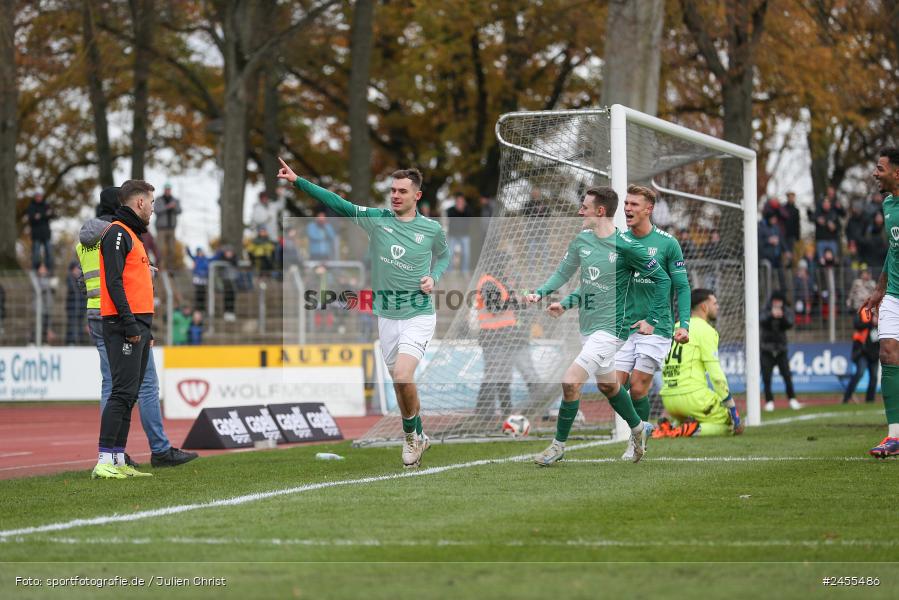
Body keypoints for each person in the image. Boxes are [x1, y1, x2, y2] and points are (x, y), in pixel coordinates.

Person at [278, 158, 450, 468]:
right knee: (401, 385)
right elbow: (338, 203)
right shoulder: (377, 220)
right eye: (392, 190)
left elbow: (445, 256)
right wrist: (298, 181)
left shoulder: (431, 229)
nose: (395, 196)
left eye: (402, 191)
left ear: (417, 196)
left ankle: (410, 437)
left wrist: (434, 277)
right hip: (386, 315)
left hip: (419, 314)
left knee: (402, 375)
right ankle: (420, 434)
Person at [525, 186, 670, 466]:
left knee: (570, 381)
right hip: (588, 327)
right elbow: (564, 274)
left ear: (600, 211)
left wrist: (652, 319)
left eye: (585, 207)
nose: (580, 211)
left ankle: (557, 446)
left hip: (612, 330)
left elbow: (663, 280)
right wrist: (543, 293)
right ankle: (639, 428)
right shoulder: (581, 241)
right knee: (609, 387)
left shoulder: (627, 246)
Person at [79, 185, 198, 475]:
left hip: (119, 317)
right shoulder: (118, 234)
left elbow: (92, 280)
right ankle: (107, 459)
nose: (154, 207)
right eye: (153, 201)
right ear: (140, 201)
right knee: (123, 391)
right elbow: (114, 282)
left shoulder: (124, 235)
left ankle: (118, 458)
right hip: (119, 319)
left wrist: (145, 328)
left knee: (125, 391)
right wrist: (131, 323)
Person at [614, 185, 692, 460]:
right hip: (626, 327)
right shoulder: (620, 240)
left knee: (637, 386)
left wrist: (684, 324)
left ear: (649, 209)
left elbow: (681, 287)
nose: (627, 209)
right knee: (612, 385)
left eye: (634, 204)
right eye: (626, 203)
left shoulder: (667, 243)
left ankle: (636, 442)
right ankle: (640, 428)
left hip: (656, 328)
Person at [656, 289, 743, 437]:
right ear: (704, 307)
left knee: (692, 417)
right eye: (715, 303)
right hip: (693, 398)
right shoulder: (706, 331)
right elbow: (716, 376)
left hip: (669, 401)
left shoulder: (675, 327)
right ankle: (693, 429)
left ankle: (670, 427)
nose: (718, 307)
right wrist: (733, 411)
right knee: (730, 424)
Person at [861, 146, 899, 458]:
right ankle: (894, 436)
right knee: (887, 353)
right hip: (894, 295)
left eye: (881, 168)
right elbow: (893, 249)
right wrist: (879, 289)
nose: (875, 173)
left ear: (896, 172)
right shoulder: (887, 205)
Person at [474, 258, 539, 417]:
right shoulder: (489, 282)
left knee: (504, 376)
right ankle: (484, 413)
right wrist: (515, 300)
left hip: (507, 337)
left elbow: (520, 308)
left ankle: (506, 411)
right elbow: (494, 307)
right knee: (494, 374)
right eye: (507, 266)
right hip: (493, 336)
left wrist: (520, 301)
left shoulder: (502, 284)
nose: (509, 270)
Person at [760, 291, 801, 412]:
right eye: (775, 301)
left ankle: (792, 399)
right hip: (766, 349)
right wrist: (771, 315)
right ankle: (769, 401)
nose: (777, 303)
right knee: (766, 377)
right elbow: (761, 320)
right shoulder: (765, 309)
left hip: (781, 349)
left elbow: (790, 323)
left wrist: (781, 316)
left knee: (787, 376)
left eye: (779, 301)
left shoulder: (786, 311)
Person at [843, 306, 880, 405]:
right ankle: (847, 397)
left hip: (874, 355)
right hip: (862, 353)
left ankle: (870, 401)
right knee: (859, 373)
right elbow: (856, 324)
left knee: (874, 378)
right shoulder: (864, 316)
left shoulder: (881, 326)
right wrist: (869, 323)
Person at [153, 183, 181, 270]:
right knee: (159, 249)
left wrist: (174, 207)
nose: (167, 191)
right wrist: (167, 207)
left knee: (171, 250)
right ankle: (158, 267)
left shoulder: (175, 200)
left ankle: (170, 268)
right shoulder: (159, 199)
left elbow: (179, 211)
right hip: (161, 229)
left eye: (169, 189)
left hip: (171, 228)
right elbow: (156, 210)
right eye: (166, 189)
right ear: (164, 190)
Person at [26, 190, 54, 270]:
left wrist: (39, 216)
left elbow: (51, 214)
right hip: (36, 234)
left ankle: (48, 270)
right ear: (35, 197)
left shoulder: (46, 205)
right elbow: (31, 218)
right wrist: (44, 215)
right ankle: (35, 270)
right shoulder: (31, 206)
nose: (38, 197)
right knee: (36, 253)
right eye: (37, 196)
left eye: (40, 196)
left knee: (49, 252)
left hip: (46, 233)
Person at [446, 192, 472, 276]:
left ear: (464, 202)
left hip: (465, 235)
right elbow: (450, 216)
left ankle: (465, 271)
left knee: (466, 253)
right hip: (452, 235)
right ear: (456, 201)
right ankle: (449, 272)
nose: (460, 203)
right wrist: (458, 210)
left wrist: (463, 209)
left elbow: (469, 217)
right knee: (450, 254)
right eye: (458, 201)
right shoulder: (450, 210)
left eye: (462, 201)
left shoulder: (468, 210)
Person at [65, 260, 87, 345]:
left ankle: (80, 342)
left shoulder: (82, 279)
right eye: (75, 269)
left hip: (81, 307)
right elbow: (72, 288)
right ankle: (70, 342)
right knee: (71, 325)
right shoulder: (70, 279)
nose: (77, 271)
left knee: (80, 326)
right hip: (72, 307)